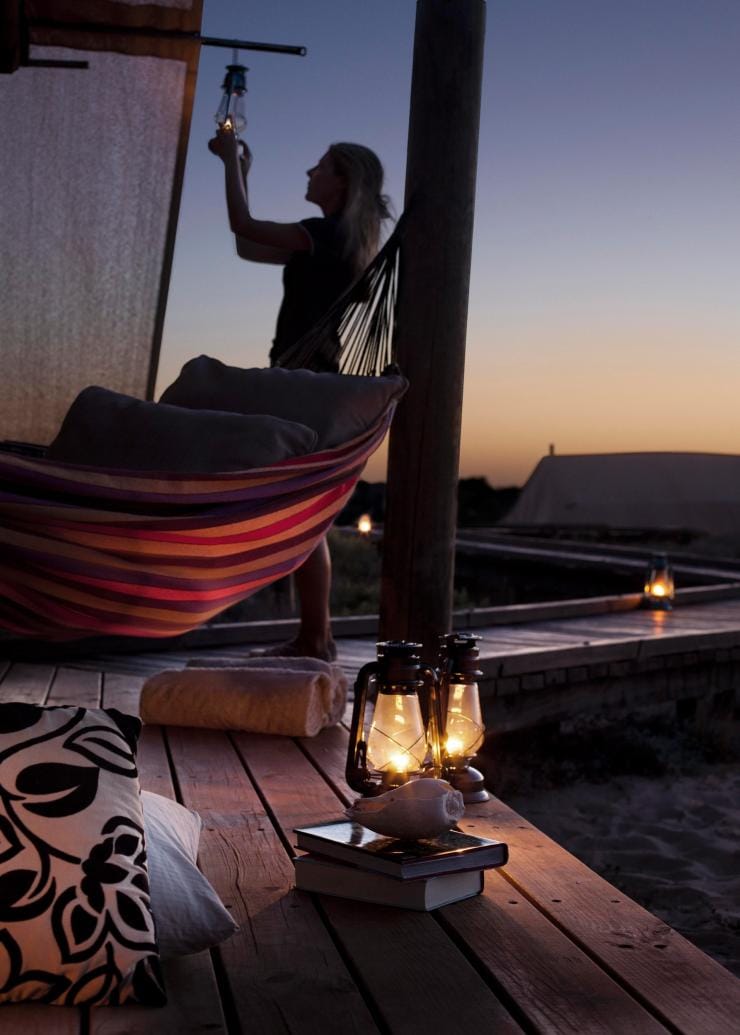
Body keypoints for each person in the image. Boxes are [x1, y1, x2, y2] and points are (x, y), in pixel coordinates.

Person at [208, 125, 391, 660]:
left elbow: (243, 222)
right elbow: (247, 245)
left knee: (298, 506)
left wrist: (227, 165)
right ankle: (316, 637)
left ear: (341, 182)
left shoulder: (325, 236)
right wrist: (241, 171)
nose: (309, 173)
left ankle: (316, 637)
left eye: (320, 166)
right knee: (302, 509)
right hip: (310, 375)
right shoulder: (333, 242)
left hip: (304, 377)